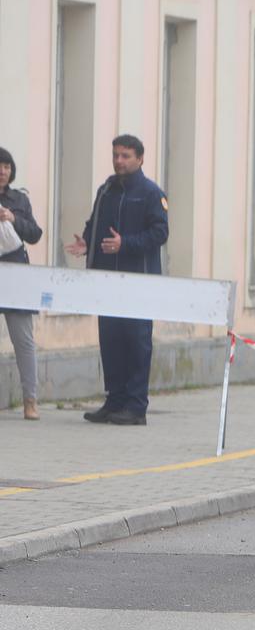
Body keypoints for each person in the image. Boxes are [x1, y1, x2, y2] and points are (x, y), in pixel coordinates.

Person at [64, 135, 169, 425]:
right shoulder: (107, 190)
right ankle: (114, 401)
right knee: (110, 340)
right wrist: (88, 242)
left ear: (140, 159)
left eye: (125, 156)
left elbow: (160, 234)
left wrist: (127, 244)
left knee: (136, 341)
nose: (119, 161)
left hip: (139, 281)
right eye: (116, 155)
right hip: (107, 281)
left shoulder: (150, 193)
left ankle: (136, 407)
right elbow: (94, 223)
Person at [0, 146, 43, 421]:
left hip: (15, 272)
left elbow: (35, 234)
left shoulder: (19, 200)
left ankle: (31, 400)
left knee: (24, 340)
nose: (3, 171)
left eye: (6, 166)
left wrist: (13, 219)